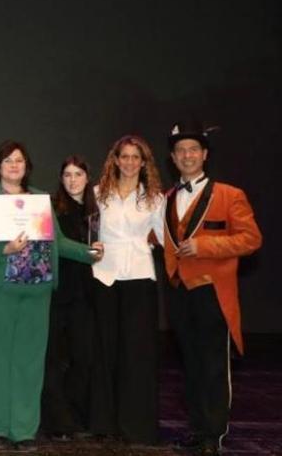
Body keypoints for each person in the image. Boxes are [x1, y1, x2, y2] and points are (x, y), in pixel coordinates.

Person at [0, 141, 100, 450]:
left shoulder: (40, 199)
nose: (14, 165)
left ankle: (24, 431)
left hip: (36, 290)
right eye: (8, 160)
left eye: (20, 161)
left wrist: (90, 253)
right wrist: (3, 248)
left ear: (27, 167)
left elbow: (59, 242)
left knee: (29, 363)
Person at [164, 122, 261, 456]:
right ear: (173, 158)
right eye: (180, 151)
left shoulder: (230, 194)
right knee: (190, 365)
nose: (187, 156)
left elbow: (251, 239)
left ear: (204, 155)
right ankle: (197, 428)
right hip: (179, 293)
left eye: (193, 150)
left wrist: (205, 246)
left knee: (214, 366)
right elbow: (161, 238)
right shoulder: (167, 198)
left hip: (211, 293)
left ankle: (213, 435)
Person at [89, 135, 165, 445]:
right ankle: (103, 422)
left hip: (139, 278)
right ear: (115, 160)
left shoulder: (155, 198)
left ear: (144, 162)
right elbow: (88, 233)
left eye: (137, 157)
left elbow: (162, 237)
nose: (130, 162)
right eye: (125, 156)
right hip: (103, 277)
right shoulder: (97, 194)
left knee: (137, 354)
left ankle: (136, 425)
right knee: (105, 352)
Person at [40, 155, 99, 441]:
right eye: (67, 175)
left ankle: (76, 418)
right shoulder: (51, 208)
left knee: (82, 358)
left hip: (86, 296)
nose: (72, 180)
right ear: (61, 179)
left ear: (88, 178)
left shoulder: (98, 211)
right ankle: (56, 421)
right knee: (52, 359)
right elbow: (55, 247)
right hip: (56, 293)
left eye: (78, 174)